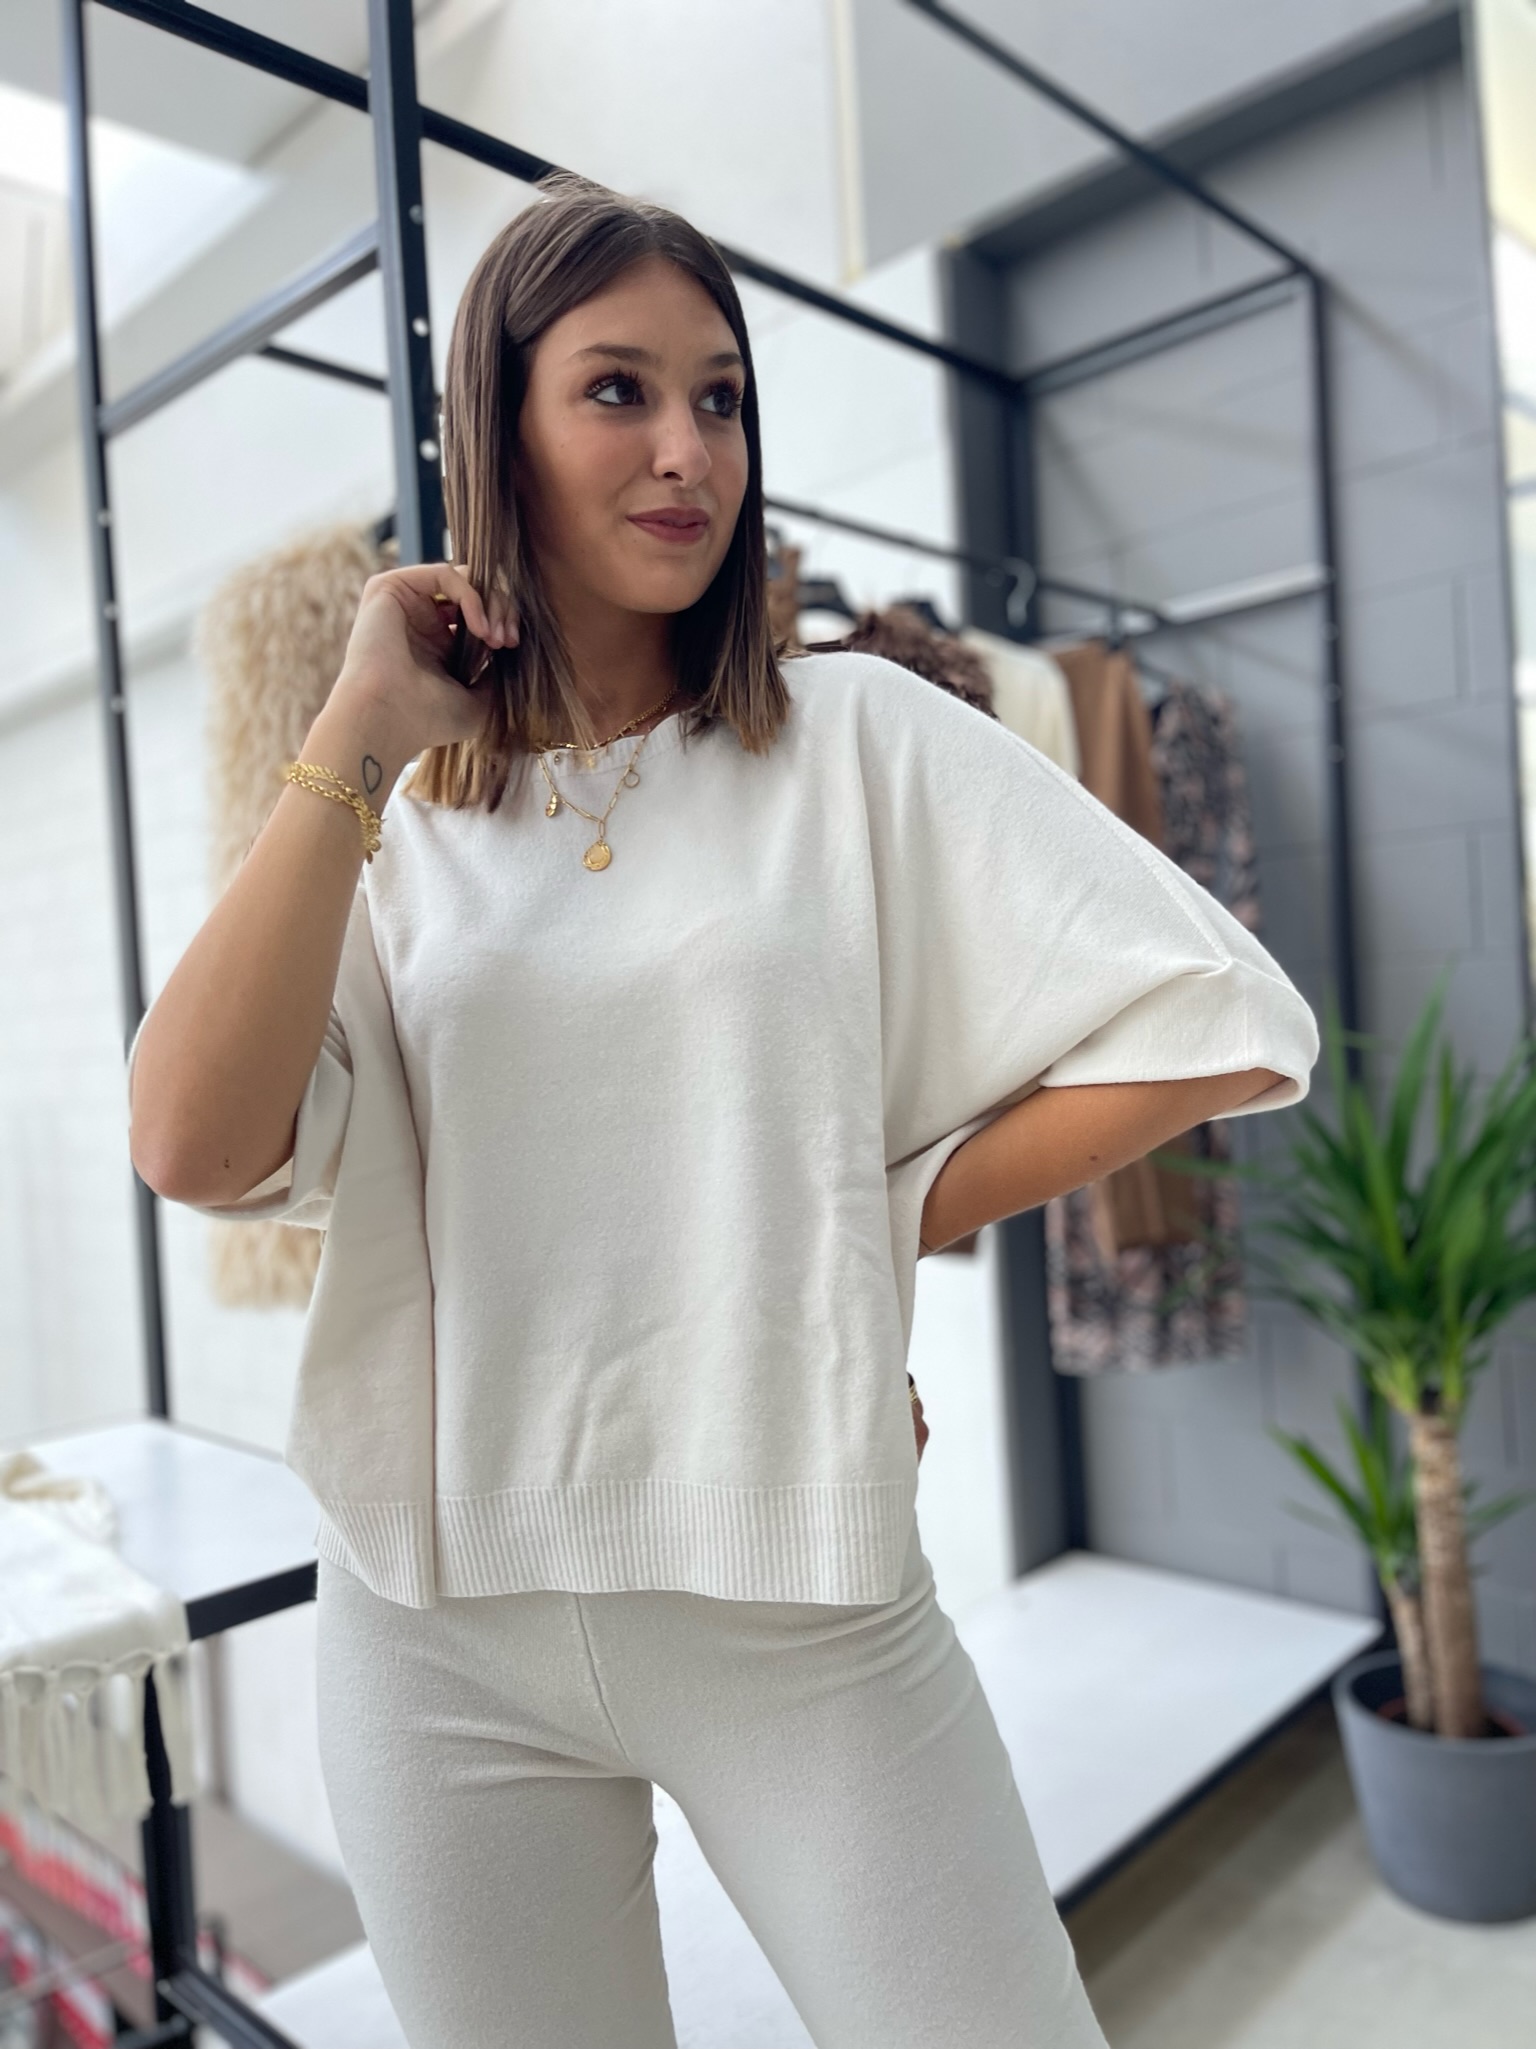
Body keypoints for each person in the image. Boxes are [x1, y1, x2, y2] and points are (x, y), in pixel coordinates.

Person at [128, 169, 1317, 2048]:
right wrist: (353, 732)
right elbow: (192, 1145)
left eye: (723, 397)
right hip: (435, 1620)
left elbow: (1224, 1022)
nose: (688, 448)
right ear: (497, 425)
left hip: (796, 1593)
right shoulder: (399, 823)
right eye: (618, 389)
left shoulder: (860, 736)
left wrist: (866, 1208)